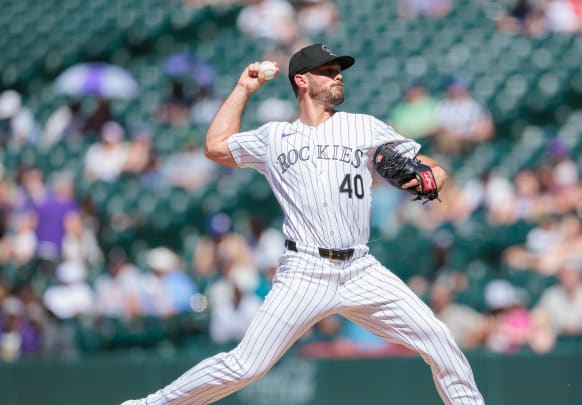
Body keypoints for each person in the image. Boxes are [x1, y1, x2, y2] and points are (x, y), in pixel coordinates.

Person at [123, 43, 483, 404]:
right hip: (304, 271)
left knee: (438, 338)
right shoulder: (274, 136)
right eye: (327, 71)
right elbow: (215, 145)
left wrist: (430, 178)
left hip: (361, 269)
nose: (337, 75)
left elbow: (436, 169)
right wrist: (243, 89)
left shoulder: (364, 127)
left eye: (338, 70)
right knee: (246, 366)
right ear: (302, 80)